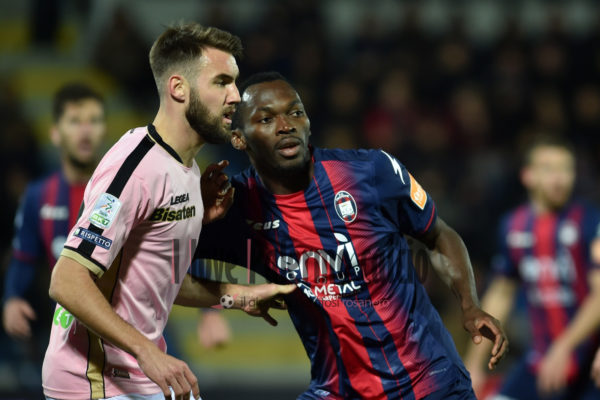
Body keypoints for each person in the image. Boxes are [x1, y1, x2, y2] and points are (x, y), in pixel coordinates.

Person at [194, 71, 508, 399]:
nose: (286, 125)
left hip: (429, 381)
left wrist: (470, 305)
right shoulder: (236, 206)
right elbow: (171, 269)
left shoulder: (370, 172)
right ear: (239, 139)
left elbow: (438, 234)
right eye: (266, 119)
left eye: (296, 112)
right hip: (338, 389)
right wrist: (223, 285)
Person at [41, 24, 294, 400]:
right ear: (179, 88)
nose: (236, 96)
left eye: (235, 83)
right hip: (95, 380)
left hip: (137, 373)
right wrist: (146, 352)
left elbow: (157, 281)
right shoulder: (136, 167)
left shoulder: (188, 170)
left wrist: (240, 296)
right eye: (222, 82)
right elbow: (66, 280)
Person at [464, 135, 600, 399]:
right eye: (549, 169)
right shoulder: (513, 226)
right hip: (540, 359)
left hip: (588, 361)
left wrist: (565, 346)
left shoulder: (590, 222)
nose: (559, 178)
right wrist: (474, 365)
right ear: (528, 176)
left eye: (566, 169)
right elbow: (500, 295)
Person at [1, 83, 105, 391]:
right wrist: (12, 298)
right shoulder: (38, 195)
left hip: (122, 334)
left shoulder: (127, 191)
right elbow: (23, 257)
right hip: (61, 332)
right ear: (56, 133)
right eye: (75, 121)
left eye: (94, 121)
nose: (85, 131)